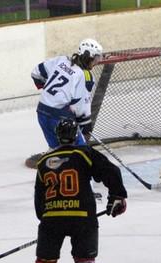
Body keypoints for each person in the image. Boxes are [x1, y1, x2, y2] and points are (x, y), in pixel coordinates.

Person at [25, 118, 127, 263]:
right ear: (75, 135)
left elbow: (39, 199)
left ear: (56, 135)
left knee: (45, 262)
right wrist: (117, 196)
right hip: (82, 217)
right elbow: (111, 172)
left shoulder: (44, 162)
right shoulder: (84, 153)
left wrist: (46, 221)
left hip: (52, 218)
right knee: (85, 260)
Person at [25, 38, 103, 169]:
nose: (97, 62)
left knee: (55, 149)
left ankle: (53, 179)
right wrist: (86, 126)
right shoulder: (85, 76)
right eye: (95, 58)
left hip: (42, 111)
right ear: (88, 55)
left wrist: (52, 93)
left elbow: (36, 72)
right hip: (59, 118)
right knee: (81, 152)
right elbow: (81, 106)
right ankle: (85, 185)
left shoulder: (61, 60)